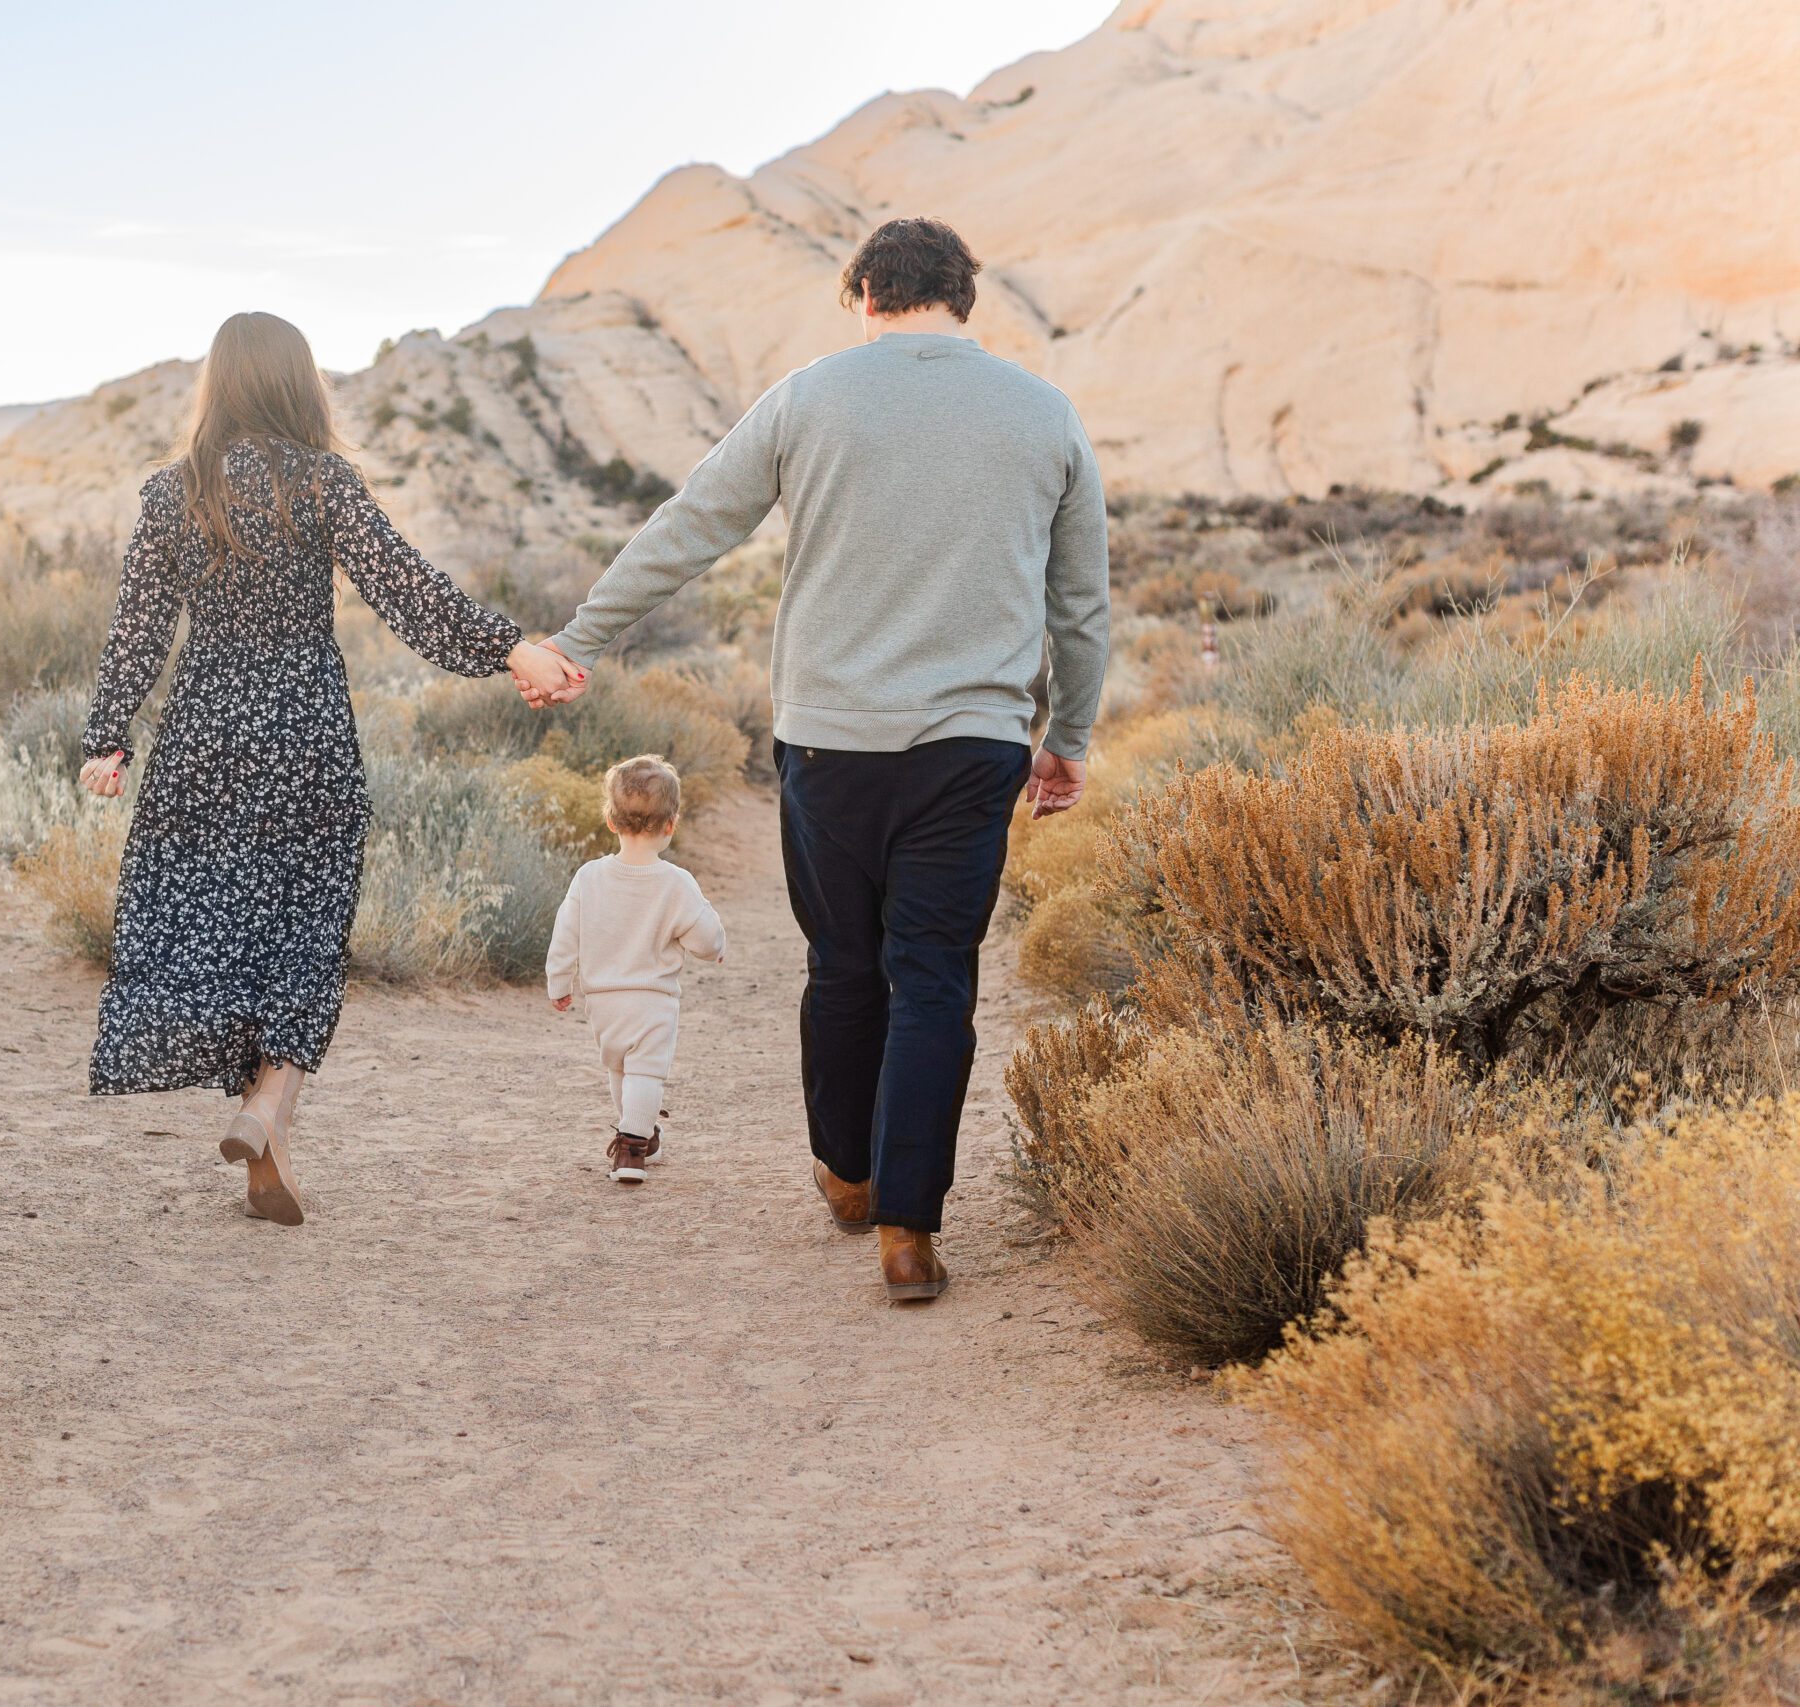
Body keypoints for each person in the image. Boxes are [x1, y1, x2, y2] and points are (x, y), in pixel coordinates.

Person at [533, 217, 1109, 1301]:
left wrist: (579, 642)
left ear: (863, 298)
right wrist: (1067, 739)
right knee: (933, 979)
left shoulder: (809, 396)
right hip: (973, 746)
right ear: (962, 300)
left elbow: (690, 527)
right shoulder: (1045, 415)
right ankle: (908, 1229)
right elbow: (1079, 606)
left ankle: (846, 1174)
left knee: (844, 967)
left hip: (829, 743)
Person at [78, 311, 582, 1226]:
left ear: (219, 383)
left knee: (219, 926)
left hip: (204, 735)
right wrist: (512, 650)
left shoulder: (171, 492)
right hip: (304, 730)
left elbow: (137, 627)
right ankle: (269, 1107)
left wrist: (107, 738)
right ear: (297, 383)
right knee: (308, 926)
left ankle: (265, 1131)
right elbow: (409, 590)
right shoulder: (320, 483)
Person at [544, 755, 726, 1184]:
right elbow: (705, 939)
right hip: (652, 999)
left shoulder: (588, 877)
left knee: (620, 1069)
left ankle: (638, 1133)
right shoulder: (676, 882)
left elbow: (564, 933)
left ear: (610, 820)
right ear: (670, 825)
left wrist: (558, 981)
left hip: (603, 1000)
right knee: (645, 1072)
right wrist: (715, 946)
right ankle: (631, 1149)